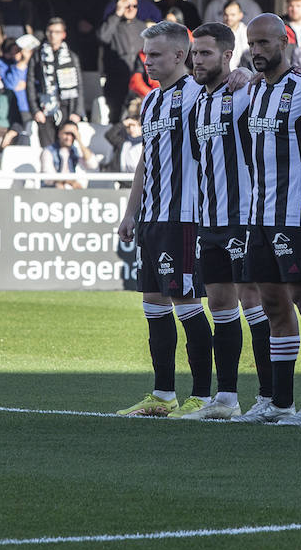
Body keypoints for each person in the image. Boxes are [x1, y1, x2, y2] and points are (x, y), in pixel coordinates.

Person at [229, 14, 301, 426]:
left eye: (264, 43)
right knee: (272, 304)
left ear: (285, 40)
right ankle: (279, 402)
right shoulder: (253, 90)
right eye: (251, 44)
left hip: (298, 216)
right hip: (258, 217)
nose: (257, 51)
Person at [115, 22, 215, 418]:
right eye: (146, 54)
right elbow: (146, 159)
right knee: (154, 305)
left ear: (179, 55)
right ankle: (163, 394)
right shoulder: (152, 102)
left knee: (187, 302)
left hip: (185, 216)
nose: (148, 61)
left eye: (155, 55)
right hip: (153, 218)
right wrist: (131, 211)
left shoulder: (197, 97)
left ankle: (204, 396)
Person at [181, 21, 274, 418]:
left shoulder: (245, 93)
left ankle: (271, 396)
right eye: (194, 53)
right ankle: (227, 397)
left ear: (226, 55)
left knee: (253, 300)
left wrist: (252, 75)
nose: (196, 60)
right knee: (220, 303)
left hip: (244, 216)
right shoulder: (198, 103)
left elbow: (274, 84)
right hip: (210, 218)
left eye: (205, 53)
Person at [30, 19, 86, 147]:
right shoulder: (38, 56)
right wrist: (35, 110)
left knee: (66, 148)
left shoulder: (71, 56)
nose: (53, 35)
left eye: (56, 32)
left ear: (63, 34)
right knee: (48, 149)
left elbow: (79, 86)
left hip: (67, 107)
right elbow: (31, 84)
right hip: (46, 108)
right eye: (50, 32)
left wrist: (77, 112)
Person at [98, 0, 149, 118]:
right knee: (116, 118)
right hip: (116, 81)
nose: (131, 9)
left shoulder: (142, 27)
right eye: (127, 5)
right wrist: (117, 14)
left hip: (139, 81)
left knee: (140, 117)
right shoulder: (112, 23)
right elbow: (103, 37)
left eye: (134, 6)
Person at [41, 122, 99, 189]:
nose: (69, 137)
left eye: (73, 134)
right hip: (53, 190)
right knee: (59, 186)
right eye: (66, 133)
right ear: (59, 133)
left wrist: (79, 141)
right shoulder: (48, 151)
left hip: (74, 191)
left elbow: (93, 165)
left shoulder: (77, 151)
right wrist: (70, 182)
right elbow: (48, 177)